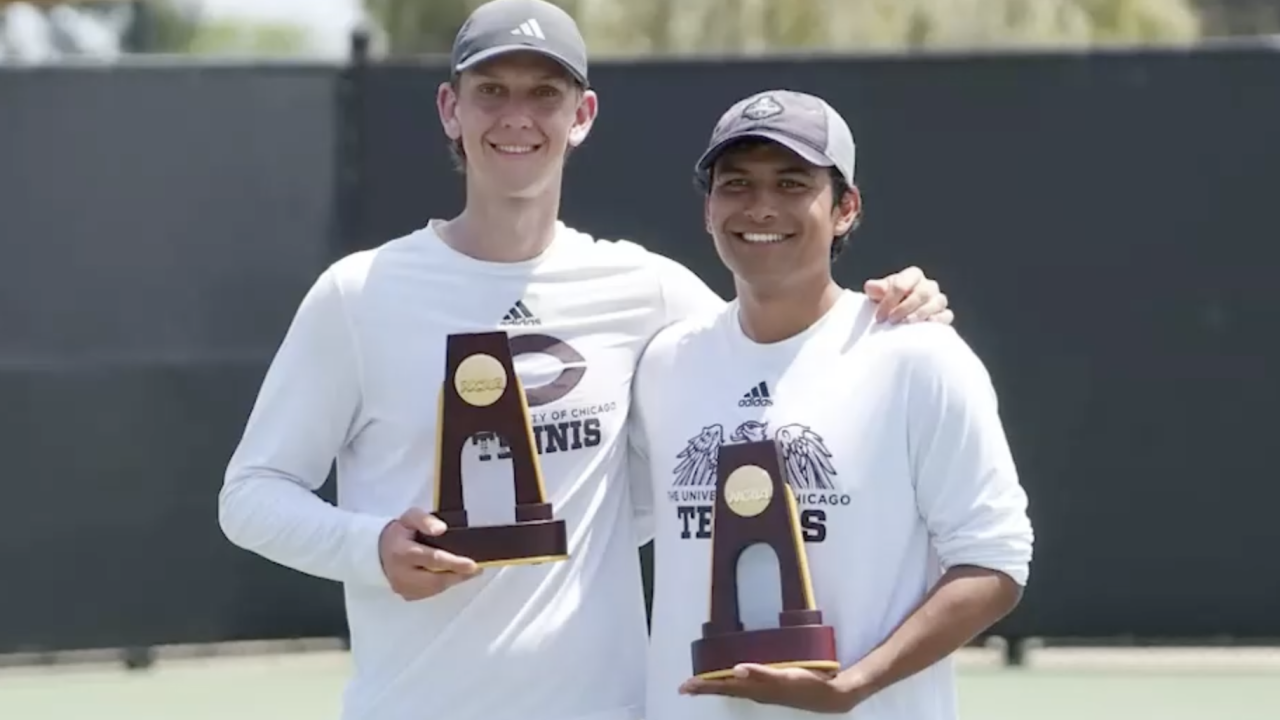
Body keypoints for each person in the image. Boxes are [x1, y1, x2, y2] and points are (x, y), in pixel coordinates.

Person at [217, 2, 953, 720]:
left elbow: (788, 357)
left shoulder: (647, 290)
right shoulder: (358, 294)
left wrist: (889, 307)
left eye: (545, 93)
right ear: (450, 109)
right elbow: (251, 495)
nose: (517, 117)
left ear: (583, 115)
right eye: (491, 91)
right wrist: (370, 546)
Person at [628, 89, 1034, 720]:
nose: (761, 206)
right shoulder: (665, 364)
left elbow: (996, 562)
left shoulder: (917, 356)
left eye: (792, 184)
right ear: (708, 210)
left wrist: (855, 685)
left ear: (846, 208)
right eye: (736, 184)